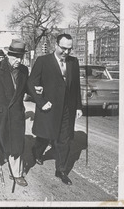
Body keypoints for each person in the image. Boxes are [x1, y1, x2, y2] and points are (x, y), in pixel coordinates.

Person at [27, 33, 83, 185]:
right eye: (63, 48)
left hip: (67, 109)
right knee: (45, 136)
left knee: (64, 140)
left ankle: (61, 170)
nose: (66, 52)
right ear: (55, 45)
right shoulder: (43, 61)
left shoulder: (73, 62)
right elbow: (31, 84)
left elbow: (76, 86)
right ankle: (37, 152)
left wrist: (78, 106)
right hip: (49, 108)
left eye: (69, 49)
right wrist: (41, 102)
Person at [0, 39, 30, 187]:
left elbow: (27, 89)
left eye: (21, 57)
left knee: (16, 143)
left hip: (16, 113)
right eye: (16, 57)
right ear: (8, 55)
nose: (19, 60)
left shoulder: (24, 70)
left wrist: (37, 91)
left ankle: (16, 173)